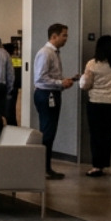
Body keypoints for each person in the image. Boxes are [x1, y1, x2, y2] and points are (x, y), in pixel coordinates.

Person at [32, 23, 75, 179]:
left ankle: (46, 167)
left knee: (50, 131)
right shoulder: (46, 53)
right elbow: (40, 78)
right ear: (54, 36)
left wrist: (64, 81)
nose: (66, 38)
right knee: (47, 132)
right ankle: (43, 168)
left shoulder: (54, 53)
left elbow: (51, 76)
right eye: (64, 35)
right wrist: (60, 83)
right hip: (46, 95)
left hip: (52, 93)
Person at [79, 34, 111, 177]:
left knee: (95, 135)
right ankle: (105, 163)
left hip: (95, 103)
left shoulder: (92, 64)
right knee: (107, 135)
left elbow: (86, 85)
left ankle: (96, 166)